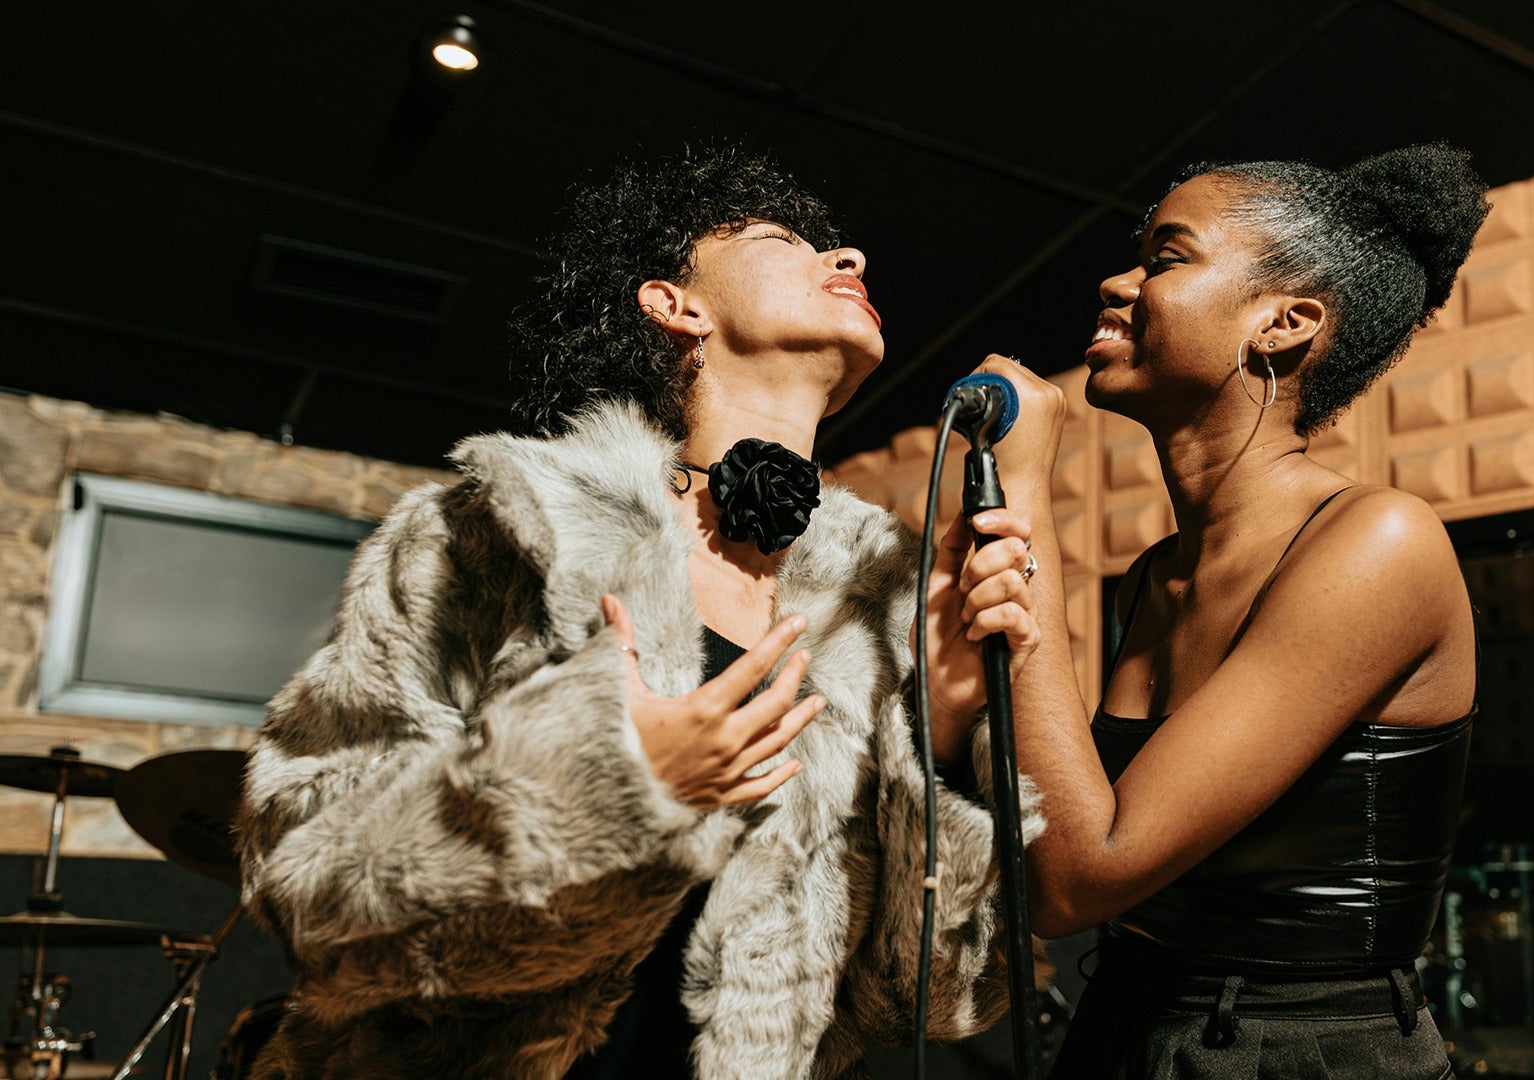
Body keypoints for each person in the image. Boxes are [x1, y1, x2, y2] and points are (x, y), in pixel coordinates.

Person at [235, 144, 1046, 1080]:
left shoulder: (885, 603)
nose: (850, 259)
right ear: (674, 304)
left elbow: (928, 1003)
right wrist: (621, 785)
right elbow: (312, 896)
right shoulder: (505, 527)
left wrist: (938, 733)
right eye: (781, 240)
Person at [975, 144, 1490, 1076]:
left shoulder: (1379, 542)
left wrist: (1021, 491)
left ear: (1283, 324)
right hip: (1128, 1020)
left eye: (1166, 258)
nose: (1118, 282)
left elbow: (1077, 881)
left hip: (1300, 1050)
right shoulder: (1150, 578)